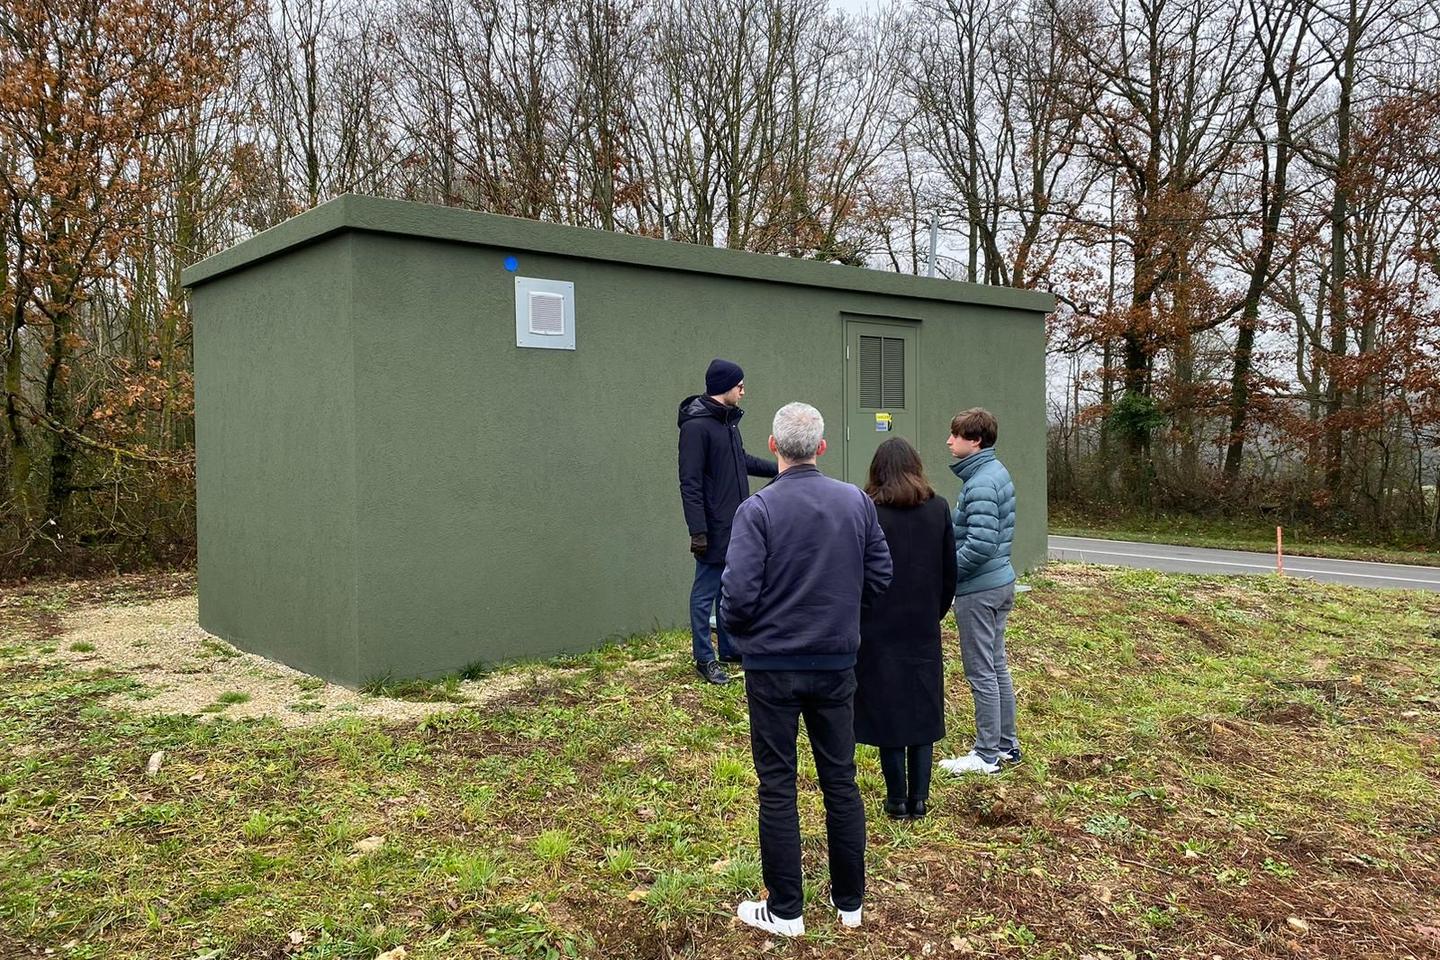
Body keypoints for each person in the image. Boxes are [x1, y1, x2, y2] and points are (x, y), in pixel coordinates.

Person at [721, 402, 892, 937]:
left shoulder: (758, 510)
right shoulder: (855, 503)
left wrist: (747, 640)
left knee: (777, 784)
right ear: (820, 448)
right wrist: (842, 620)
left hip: (772, 668)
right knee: (839, 779)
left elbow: (737, 595)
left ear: (773, 448)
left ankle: (787, 910)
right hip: (836, 663)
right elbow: (880, 576)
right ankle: (850, 905)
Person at [853, 437, 957, 820]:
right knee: (922, 710)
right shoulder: (938, 508)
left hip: (877, 627)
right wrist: (934, 613)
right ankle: (920, 799)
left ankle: (896, 799)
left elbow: (859, 571)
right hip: (922, 625)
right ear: (916, 466)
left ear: (877, 470)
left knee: (887, 710)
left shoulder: (869, 511)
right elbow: (950, 573)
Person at [677, 358, 778, 685]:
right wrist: (698, 531)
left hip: (736, 522)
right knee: (705, 592)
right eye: (740, 386)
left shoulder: (727, 423)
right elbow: (689, 482)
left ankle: (730, 648)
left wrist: (780, 467)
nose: (744, 391)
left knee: (728, 588)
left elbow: (741, 460)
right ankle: (704, 658)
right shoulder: (696, 427)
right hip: (713, 527)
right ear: (725, 387)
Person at [937, 408, 1019, 777]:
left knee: (981, 671)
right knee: (996, 665)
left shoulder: (982, 483)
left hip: (981, 589)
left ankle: (986, 755)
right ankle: (1006, 746)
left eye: (956, 435)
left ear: (976, 441)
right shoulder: (991, 473)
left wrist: (948, 572)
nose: (949, 441)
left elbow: (981, 544)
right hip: (999, 582)